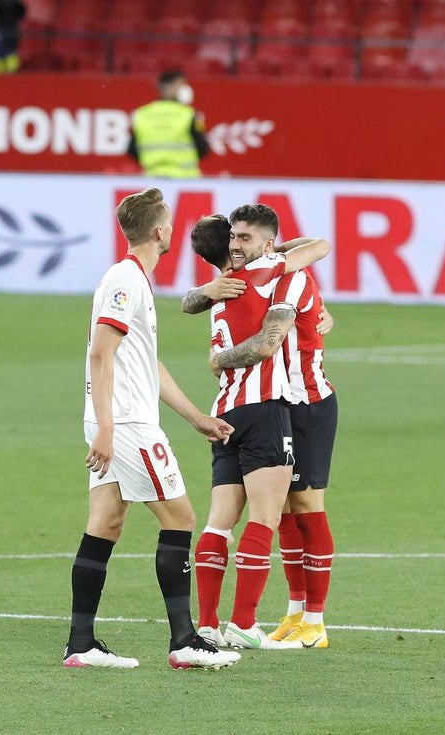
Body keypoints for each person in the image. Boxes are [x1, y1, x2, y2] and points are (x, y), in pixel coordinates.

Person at [64, 187, 241, 671]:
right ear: (161, 231)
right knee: (181, 519)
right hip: (125, 424)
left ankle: (81, 643)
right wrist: (106, 428)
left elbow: (144, 363)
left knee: (106, 523)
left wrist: (196, 418)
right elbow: (101, 353)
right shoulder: (125, 280)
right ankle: (185, 640)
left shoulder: (133, 280)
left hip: (119, 420)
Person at [183, 206, 330, 650]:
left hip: (225, 411)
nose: (237, 245)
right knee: (270, 516)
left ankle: (207, 623)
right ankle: (247, 622)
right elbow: (321, 246)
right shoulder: (265, 273)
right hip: (268, 408)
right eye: (234, 239)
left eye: (243, 238)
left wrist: (216, 359)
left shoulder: (215, 297)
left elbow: (192, 308)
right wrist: (276, 249)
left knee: (218, 523)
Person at [127, 69, 209, 178]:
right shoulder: (188, 115)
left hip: (152, 178)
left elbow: (132, 149)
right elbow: (203, 148)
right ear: (169, 87)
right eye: (181, 85)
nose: (186, 89)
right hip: (185, 179)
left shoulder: (142, 115)